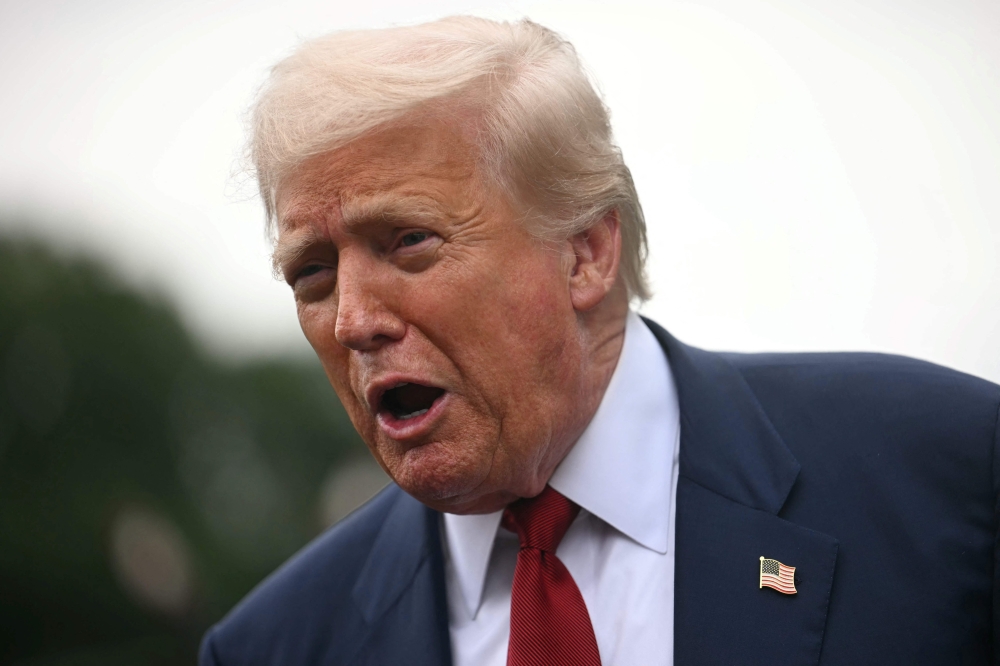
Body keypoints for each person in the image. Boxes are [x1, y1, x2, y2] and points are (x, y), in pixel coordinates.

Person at [199, 16, 1000, 666]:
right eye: (311, 273)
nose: (352, 320)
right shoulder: (273, 647)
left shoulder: (954, 473)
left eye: (408, 240)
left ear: (586, 249)